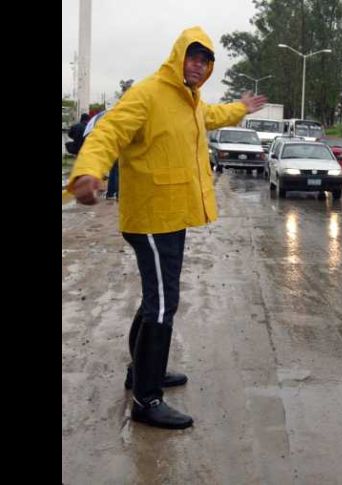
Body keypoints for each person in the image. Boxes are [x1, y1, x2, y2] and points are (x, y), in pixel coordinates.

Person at [67, 27, 267, 430]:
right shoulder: (148, 93)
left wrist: (241, 107)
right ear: (179, 56)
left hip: (170, 216)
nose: (198, 65)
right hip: (152, 217)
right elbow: (109, 132)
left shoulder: (190, 100)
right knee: (162, 304)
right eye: (193, 57)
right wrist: (88, 172)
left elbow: (210, 116)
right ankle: (146, 399)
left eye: (205, 60)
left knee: (155, 299)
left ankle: (140, 374)